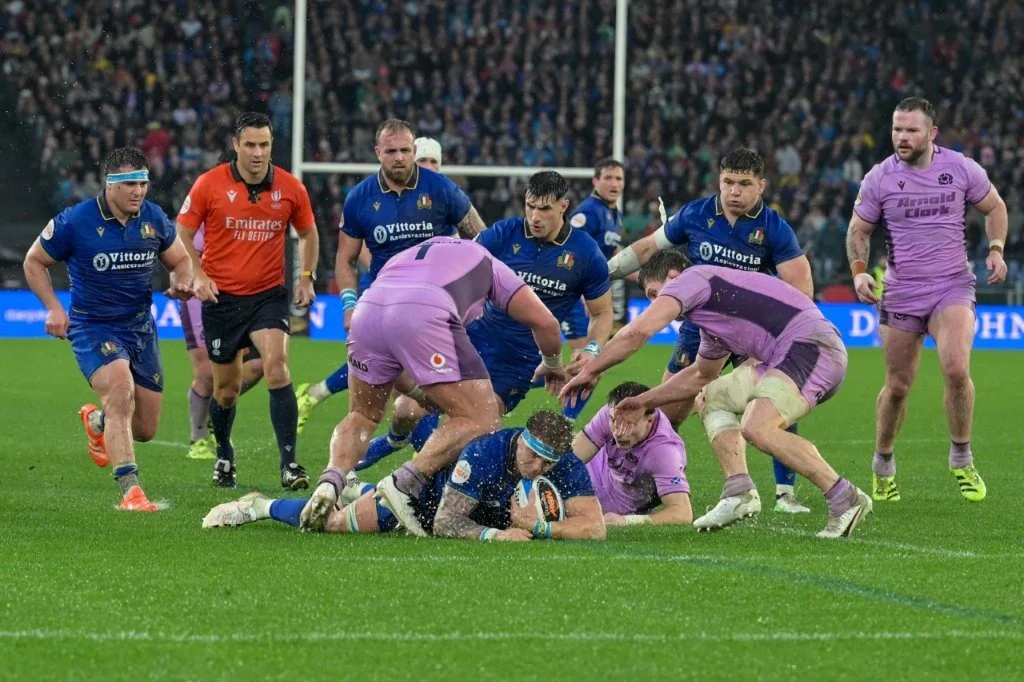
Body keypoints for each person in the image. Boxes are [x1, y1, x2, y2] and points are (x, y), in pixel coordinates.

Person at [560, 251, 873, 539]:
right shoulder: (711, 323)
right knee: (711, 397)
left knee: (757, 427)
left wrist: (592, 369)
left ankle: (844, 497)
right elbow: (699, 376)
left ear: (673, 276)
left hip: (811, 347)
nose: (658, 302)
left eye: (657, 295)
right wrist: (644, 401)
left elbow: (639, 331)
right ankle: (739, 491)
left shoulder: (692, 279)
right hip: (789, 355)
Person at [300, 237, 568, 536]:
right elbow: (547, 323)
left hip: (368, 310)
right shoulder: (489, 262)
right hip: (424, 309)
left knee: (362, 416)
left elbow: (396, 348)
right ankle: (404, 485)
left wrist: (420, 395)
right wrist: (553, 364)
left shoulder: (408, 256)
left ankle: (330, 482)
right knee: (483, 417)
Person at [606, 148, 815, 514]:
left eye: (744, 184)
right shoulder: (696, 214)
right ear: (719, 181)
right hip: (701, 328)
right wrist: (600, 276)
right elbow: (645, 249)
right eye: (728, 182)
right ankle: (652, 484)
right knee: (669, 408)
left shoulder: (774, 228)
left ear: (761, 186)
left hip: (753, 332)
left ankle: (785, 493)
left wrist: (778, 334)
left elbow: (800, 286)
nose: (734, 191)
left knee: (772, 405)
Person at [358, 170, 612, 470]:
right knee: (406, 410)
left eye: (544, 208)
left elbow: (602, 312)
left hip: (519, 362)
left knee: (464, 434)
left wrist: (593, 349)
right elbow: (459, 263)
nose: (535, 216)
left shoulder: (585, 253)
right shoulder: (504, 234)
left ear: (563, 207)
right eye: (530, 206)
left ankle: (405, 485)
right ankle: (396, 441)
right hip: (474, 339)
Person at [846, 96, 1008, 503]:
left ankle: (961, 457)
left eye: (911, 130)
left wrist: (996, 247)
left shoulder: (960, 168)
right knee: (898, 386)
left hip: (952, 284)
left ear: (931, 133)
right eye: (897, 129)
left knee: (956, 368)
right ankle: (883, 464)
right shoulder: (879, 178)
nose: (902, 136)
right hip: (901, 290)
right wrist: (860, 271)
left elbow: (995, 207)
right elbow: (858, 230)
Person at [22, 147, 193, 511]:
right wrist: (54, 308)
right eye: (130, 183)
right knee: (120, 390)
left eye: (143, 183)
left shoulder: (154, 218)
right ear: (110, 185)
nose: (139, 191)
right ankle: (131, 490)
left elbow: (180, 259)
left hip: (141, 328)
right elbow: (34, 261)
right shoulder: (76, 221)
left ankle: (98, 421)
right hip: (93, 327)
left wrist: (182, 280)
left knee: (145, 428)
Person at [294, 125, 484, 434]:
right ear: (378, 152)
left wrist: (473, 289)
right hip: (382, 307)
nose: (399, 158)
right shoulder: (360, 198)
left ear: (413, 151)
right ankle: (344, 474)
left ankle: (419, 465)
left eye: (405, 151)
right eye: (391, 151)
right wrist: (349, 305)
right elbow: (346, 258)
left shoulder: (442, 190)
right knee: (368, 407)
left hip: (434, 311)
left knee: (418, 405)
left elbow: (480, 237)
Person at [177, 112, 320, 490]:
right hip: (222, 300)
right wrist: (199, 274)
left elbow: (308, 234)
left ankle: (290, 464)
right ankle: (224, 454)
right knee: (225, 389)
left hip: (268, 297)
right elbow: (183, 231)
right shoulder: (209, 184)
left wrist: (306, 276)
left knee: (277, 366)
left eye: (265, 145)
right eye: (251, 145)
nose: (258, 153)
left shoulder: (291, 188)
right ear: (235, 145)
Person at [203, 410, 605, 542]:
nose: (536, 467)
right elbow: (447, 521)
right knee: (330, 524)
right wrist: (497, 535)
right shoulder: (484, 454)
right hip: (422, 500)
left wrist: (536, 526)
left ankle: (356, 489)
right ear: (522, 439)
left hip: (485, 509)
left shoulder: (563, 461)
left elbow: (596, 528)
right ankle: (258, 506)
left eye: (545, 464)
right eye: (530, 455)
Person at [179, 221, 264, 460]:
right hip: (199, 294)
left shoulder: (245, 210)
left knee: (259, 365)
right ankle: (198, 439)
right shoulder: (200, 210)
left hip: (238, 296)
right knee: (207, 372)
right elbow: (181, 250)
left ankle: (218, 411)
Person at [572, 382, 693, 526]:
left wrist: (627, 521)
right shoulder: (614, 412)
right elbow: (571, 459)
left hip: (614, 506)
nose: (619, 433)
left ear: (649, 420)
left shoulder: (664, 452)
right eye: (614, 422)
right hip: (588, 476)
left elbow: (682, 513)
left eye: (629, 424)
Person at [562, 159, 626, 349]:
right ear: (595, 181)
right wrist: (580, 290)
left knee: (592, 362)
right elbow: (568, 250)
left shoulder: (615, 215)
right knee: (584, 360)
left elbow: (614, 255)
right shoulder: (588, 212)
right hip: (574, 295)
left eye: (618, 178)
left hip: (593, 292)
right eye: (607, 178)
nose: (614, 183)